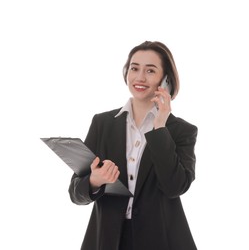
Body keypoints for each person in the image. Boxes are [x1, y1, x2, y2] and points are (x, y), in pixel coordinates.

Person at [68, 41, 198, 250]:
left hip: (160, 240)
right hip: (107, 240)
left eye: (150, 70)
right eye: (134, 68)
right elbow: (75, 193)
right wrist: (94, 180)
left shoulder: (182, 131)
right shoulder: (103, 123)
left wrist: (160, 128)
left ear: (165, 80)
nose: (140, 77)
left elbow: (175, 187)